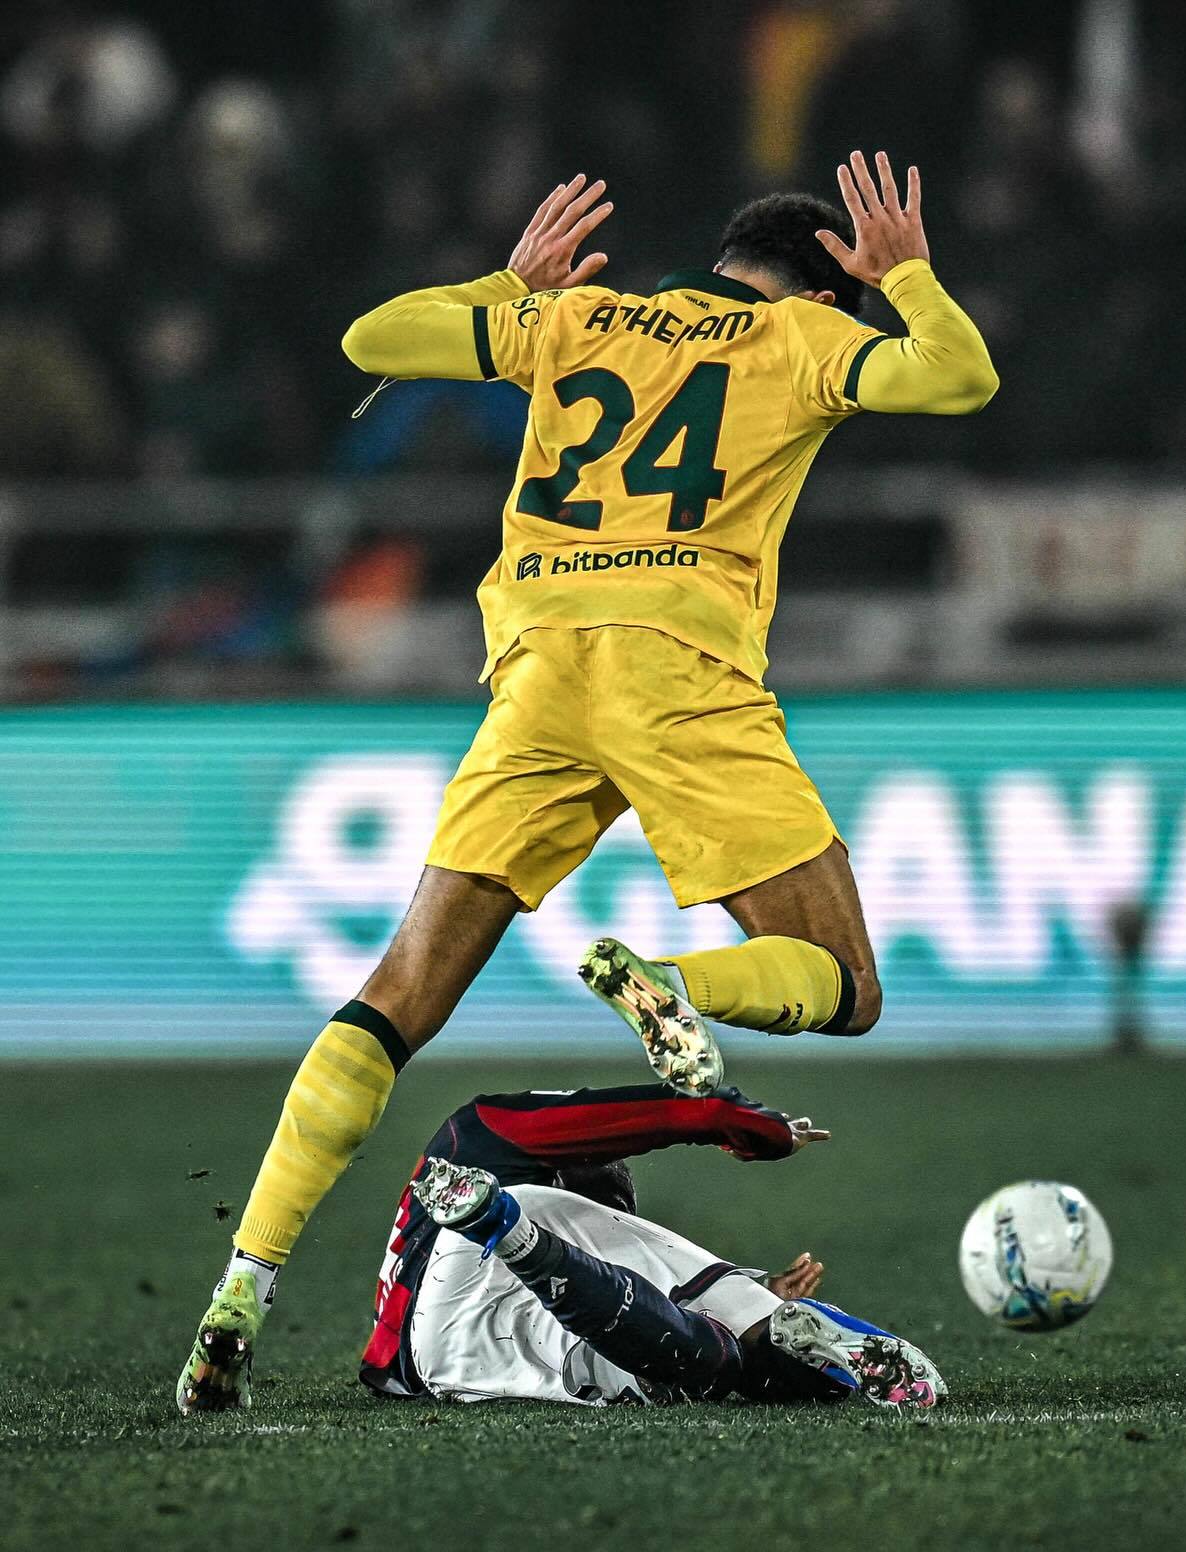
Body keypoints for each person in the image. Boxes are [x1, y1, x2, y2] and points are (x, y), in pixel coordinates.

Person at [178, 151, 997, 1413]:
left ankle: (243, 1284)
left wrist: (508, 285)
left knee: (397, 996)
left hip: (539, 670)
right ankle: (671, 979)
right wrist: (909, 278)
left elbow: (369, 339)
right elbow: (959, 374)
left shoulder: (574, 320)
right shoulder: (804, 339)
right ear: (825, 283)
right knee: (843, 981)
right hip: (678, 663)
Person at [360, 1079, 945, 1409]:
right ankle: (773, 1327)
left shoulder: (457, 1168)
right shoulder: (484, 1127)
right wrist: (737, 1120)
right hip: (482, 1241)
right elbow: (647, 1116)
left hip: (441, 1355)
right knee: (701, 1345)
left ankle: (773, 1331)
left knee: (674, 1363)